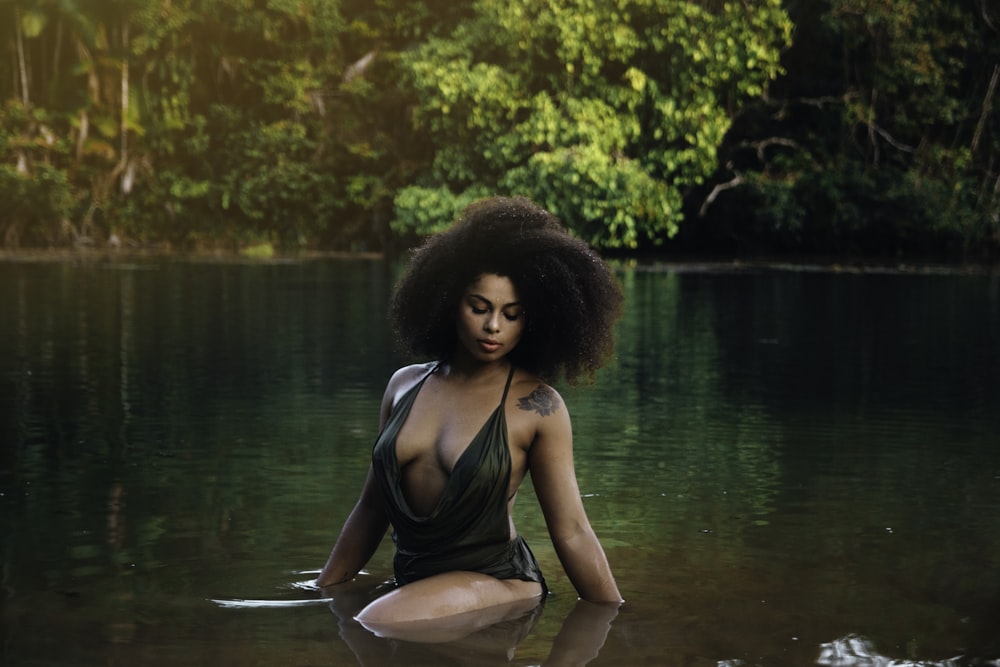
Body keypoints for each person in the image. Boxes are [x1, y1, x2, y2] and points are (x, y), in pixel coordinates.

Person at [317, 195, 624, 636]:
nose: (493, 326)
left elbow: (573, 530)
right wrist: (323, 588)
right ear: (448, 299)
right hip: (417, 585)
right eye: (479, 308)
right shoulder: (404, 385)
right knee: (348, 609)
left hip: (498, 582)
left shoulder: (539, 406)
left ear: (531, 321)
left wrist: (614, 617)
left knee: (372, 620)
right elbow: (371, 508)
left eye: (511, 314)